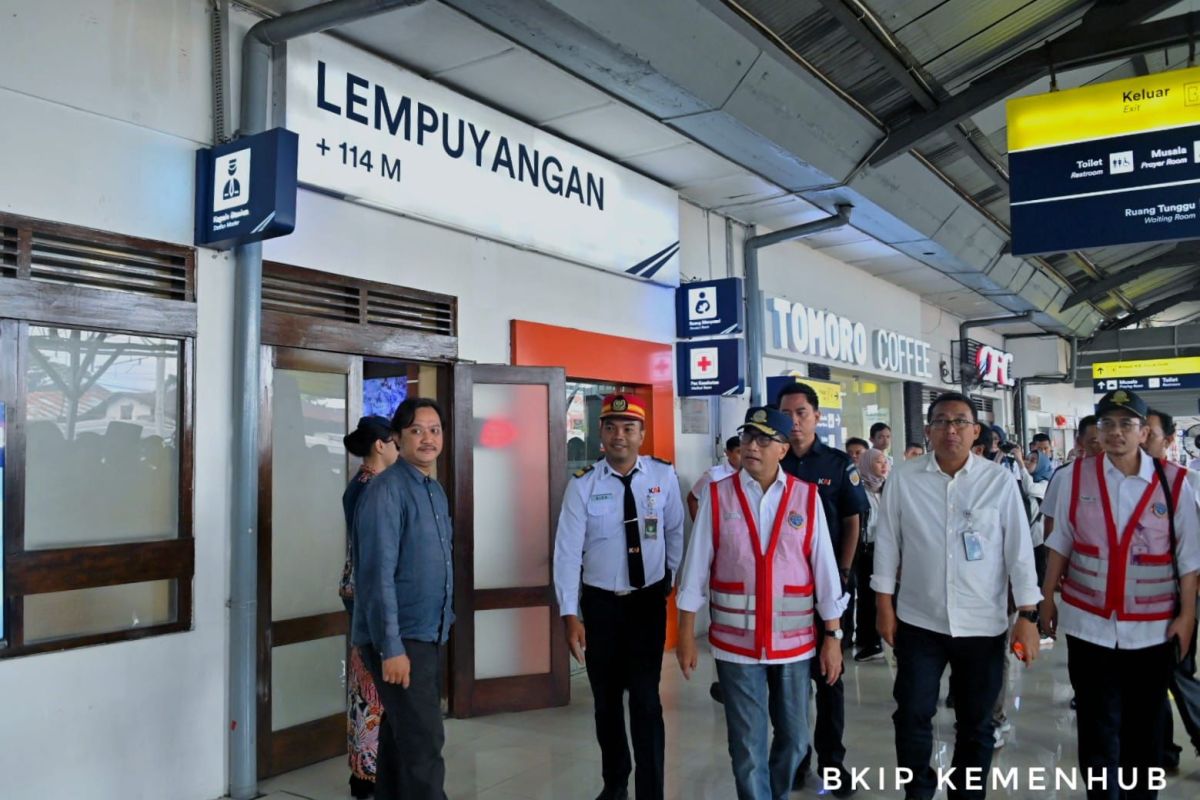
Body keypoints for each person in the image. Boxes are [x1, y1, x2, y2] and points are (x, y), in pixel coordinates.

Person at [873, 391, 1042, 800]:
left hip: (982, 624)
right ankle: (919, 791)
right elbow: (887, 546)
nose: (951, 429)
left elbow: (1018, 551)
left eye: (961, 422)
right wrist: (883, 607)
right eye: (942, 421)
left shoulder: (998, 480)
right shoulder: (905, 478)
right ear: (928, 430)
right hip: (919, 620)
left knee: (976, 722)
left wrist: (1028, 614)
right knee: (912, 713)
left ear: (975, 431)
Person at [676, 406, 846, 800]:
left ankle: (776, 792)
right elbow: (695, 569)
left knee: (797, 738)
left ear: (783, 449)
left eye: (764, 439)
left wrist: (833, 636)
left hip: (794, 644)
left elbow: (825, 572)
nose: (752, 446)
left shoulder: (806, 498)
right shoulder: (718, 496)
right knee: (748, 746)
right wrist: (686, 634)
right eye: (748, 437)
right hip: (736, 645)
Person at [1040, 390, 1200, 800]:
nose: (1115, 433)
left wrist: (1187, 616)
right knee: (1096, 724)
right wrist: (1046, 597)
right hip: (1088, 623)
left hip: (1152, 627)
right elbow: (1060, 540)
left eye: (1126, 424)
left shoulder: (1176, 483)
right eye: (1106, 424)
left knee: (1143, 726)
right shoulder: (1072, 477)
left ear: (1144, 432)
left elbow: (1189, 556)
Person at [553, 393, 685, 800]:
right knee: (606, 702)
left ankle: (652, 790)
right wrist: (569, 613)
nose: (619, 436)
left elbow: (676, 531)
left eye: (629, 428)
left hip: (646, 603)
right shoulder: (583, 486)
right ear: (600, 434)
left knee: (646, 700)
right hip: (601, 606)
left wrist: (670, 579)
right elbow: (567, 551)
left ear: (642, 434)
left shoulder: (663, 477)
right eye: (611, 428)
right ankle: (615, 783)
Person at [351, 398, 454, 800]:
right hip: (400, 638)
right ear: (396, 438)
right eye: (416, 431)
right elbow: (376, 577)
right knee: (425, 745)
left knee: (400, 738)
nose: (428, 439)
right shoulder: (386, 492)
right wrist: (391, 648)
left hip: (427, 631)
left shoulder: (432, 487)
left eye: (434, 429)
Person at [776, 381, 867, 796]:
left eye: (801, 413)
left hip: (828, 588)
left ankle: (833, 762)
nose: (794, 422)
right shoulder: (770, 460)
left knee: (829, 676)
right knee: (786, 679)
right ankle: (794, 757)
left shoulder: (835, 463)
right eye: (787, 414)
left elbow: (852, 519)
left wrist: (844, 570)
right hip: (782, 591)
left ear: (816, 416)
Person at [340, 416, 401, 799]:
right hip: (368, 593)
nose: (399, 448)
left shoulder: (364, 484)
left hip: (361, 589)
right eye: (396, 441)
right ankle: (366, 774)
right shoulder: (370, 487)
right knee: (369, 685)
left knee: (369, 684)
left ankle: (370, 771)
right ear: (380, 445)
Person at [1145, 408, 1200, 769]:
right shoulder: (1126, 482)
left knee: (1177, 671)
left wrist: (1188, 605)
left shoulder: (1186, 481)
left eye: (1147, 433)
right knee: (1151, 676)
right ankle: (1162, 751)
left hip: (1180, 595)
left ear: (1167, 440)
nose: (1138, 438)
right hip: (1141, 600)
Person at [854, 448, 888, 662]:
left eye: (885, 461)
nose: (883, 465)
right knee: (867, 596)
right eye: (878, 462)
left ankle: (877, 640)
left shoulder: (889, 489)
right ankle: (869, 639)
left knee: (882, 596)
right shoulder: (859, 491)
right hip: (866, 550)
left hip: (886, 549)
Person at [688, 436, 742, 521]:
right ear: (727, 453)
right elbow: (692, 498)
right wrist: (699, 526)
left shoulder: (752, 475)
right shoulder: (714, 475)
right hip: (719, 528)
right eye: (739, 452)